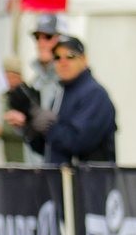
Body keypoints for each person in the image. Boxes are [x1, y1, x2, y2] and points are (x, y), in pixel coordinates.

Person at [26, 35, 117, 164]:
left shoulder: (95, 94)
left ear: (84, 59)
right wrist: (30, 127)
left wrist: (49, 127)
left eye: (70, 56)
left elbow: (79, 142)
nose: (63, 62)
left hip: (89, 181)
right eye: (57, 57)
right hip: (59, 181)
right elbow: (49, 148)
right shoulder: (60, 94)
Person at [6, 13, 63, 163]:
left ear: (59, 39)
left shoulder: (65, 81)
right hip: (35, 165)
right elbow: (33, 129)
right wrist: (21, 123)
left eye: (48, 37)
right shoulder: (36, 81)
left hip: (57, 166)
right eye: (38, 37)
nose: (41, 43)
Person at [0, 57, 34, 163]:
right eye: (7, 77)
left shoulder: (27, 97)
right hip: (11, 158)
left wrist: (3, 131)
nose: (10, 81)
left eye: (13, 77)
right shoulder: (7, 97)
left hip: (24, 158)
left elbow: (30, 129)